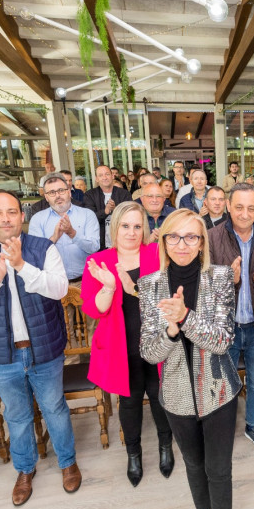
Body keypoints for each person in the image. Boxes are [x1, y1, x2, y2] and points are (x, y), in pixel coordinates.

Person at [0, 190, 81, 506]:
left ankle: (67, 462)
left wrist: (22, 265)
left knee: (55, 408)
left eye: (11, 211)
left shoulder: (42, 248)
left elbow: (60, 288)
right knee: (18, 415)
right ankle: (25, 469)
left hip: (44, 348)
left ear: (22, 216)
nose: (5, 218)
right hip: (2, 355)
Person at [139, 209, 240, 509]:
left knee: (219, 469)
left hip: (219, 390)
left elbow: (224, 340)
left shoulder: (221, 277)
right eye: (174, 237)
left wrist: (185, 317)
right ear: (163, 241)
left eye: (192, 237)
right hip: (177, 393)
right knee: (194, 465)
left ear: (202, 242)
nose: (183, 245)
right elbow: (149, 353)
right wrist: (169, 330)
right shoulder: (150, 284)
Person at [81, 202, 173, 485]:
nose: (132, 232)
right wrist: (110, 286)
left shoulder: (156, 254)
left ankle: (165, 446)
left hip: (156, 344)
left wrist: (130, 285)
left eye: (137, 226)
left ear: (144, 228)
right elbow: (95, 309)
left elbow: (164, 299)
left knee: (160, 399)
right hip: (120, 347)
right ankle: (133, 454)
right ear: (114, 228)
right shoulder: (99, 261)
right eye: (125, 226)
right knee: (130, 403)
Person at [209, 183, 254, 457]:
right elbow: (205, 288)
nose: (244, 213)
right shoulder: (212, 236)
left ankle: (253, 426)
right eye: (238, 207)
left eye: (251, 208)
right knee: (222, 382)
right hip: (225, 327)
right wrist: (231, 280)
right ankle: (223, 429)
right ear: (228, 206)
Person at [29, 173, 100, 283]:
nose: (58, 196)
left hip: (84, 281)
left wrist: (73, 234)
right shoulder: (37, 219)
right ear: (46, 197)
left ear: (69, 192)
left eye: (61, 190)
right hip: (52, 283)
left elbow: (94, 248)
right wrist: (54, 238)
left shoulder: (87, 215)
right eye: (52, 192)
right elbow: (34, 255)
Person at [83, 165, 133, 250]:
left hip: (122, 243)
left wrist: (115, 210)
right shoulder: (90, 195)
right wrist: (105, 211)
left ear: (112, 176)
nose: (104, 177)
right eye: (101, 175)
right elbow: (89, 219)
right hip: (99, 245)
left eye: (107, 174)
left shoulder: (124, 194)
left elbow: (131, 216)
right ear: (96, 179)